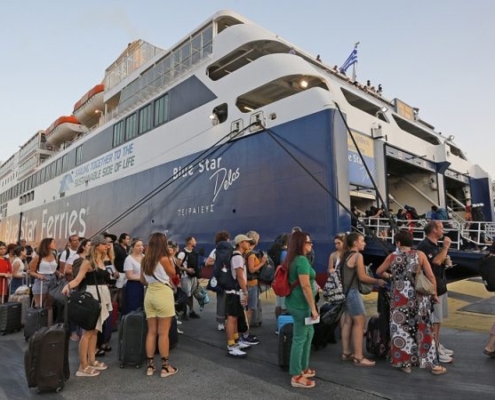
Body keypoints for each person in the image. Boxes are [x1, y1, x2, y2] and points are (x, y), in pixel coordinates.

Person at [376, 231, 447, 375]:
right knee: (424, 329)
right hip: (418, 299)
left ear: (398, 243)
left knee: (401, 330)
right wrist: (434, 294)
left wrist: (392, 276)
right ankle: (432, 365)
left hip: (399, 300)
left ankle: (404, 363)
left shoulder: (392, 257)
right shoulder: (420, 255)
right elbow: (430, 275)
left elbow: (379, 271)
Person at [62, 235, 112, 377]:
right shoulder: (88, 262)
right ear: (97, 246)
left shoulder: (101, 259)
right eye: (104, 244)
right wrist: (68, 286)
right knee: (88, 332)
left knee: (95, 331)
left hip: (101, 294)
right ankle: (82, 366)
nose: (107, 246)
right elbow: (78, 279)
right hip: (93, 295)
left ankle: (91, 360)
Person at [339, 232, 387, 367]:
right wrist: (377, 281)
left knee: (348, 321)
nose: (364, 243)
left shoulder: (344, 255)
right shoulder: (357, 256)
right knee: (360, 322)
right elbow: (362, 277)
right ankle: (358, 357)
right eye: (362, 241)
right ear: (355, 243)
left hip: (344, 292)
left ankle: (346, 352)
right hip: (353, 293)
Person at [140, 232, 178, 378]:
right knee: (163, 333)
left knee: (151, 331)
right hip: (163, 293)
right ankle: (165, 367)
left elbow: (142, 280)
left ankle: (150, 366)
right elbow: (173, 274)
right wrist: (170, 257)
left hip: (149, 294)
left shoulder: (145, 260)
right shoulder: (164, 259)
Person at [417, 221, 454, 363]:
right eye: (441, 228)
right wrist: (445, 247)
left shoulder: (434, 245)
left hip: (440, 285)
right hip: (432, 287)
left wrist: (445, 259)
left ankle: (436, 343)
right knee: (434, 320)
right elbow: (436, 262)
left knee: (438, 319)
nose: (443, 230)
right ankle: (433, 349)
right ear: (434, 230)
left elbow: (439, 261)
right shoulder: (425, 246)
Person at [285, 231, 318, 389]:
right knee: (300, 338)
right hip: (301, 305)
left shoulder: (292, 259)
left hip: (294, 302)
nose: (311, 244)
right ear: (301, 244)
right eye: (308, 242)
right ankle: (296, 375)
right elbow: (305, 286)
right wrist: (313, 308)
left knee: (308, 333)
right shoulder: (302, 261)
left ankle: (303, 367)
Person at [225, 234, 255, 358]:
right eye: (247, 242)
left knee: (235, 317)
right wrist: (245, 291)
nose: (249, 244)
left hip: (235, 292)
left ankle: (236, 342)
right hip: (234, 292)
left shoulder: (237, 256)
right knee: (232, 318)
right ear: (241, 243)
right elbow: (240, 276)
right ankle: (231, 346)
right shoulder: (237, 257)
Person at [29, 238, 62, 326]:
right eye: (53, 243)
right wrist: (38, 275)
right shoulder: (38, 257)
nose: (55, 244)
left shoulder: (54, 255)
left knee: (49, 304)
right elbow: (31, 271)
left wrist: (59, 273)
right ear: (47, 245)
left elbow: (53, 269)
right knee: (39, 304)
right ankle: (37, 326)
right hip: (41, 280)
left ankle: (49, 326)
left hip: (53, 279)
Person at [65, 238, 92, 342]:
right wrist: (82, 272)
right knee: (78, 309)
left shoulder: (92, 258)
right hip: (80, 286)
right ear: (84, 247)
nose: (91, 247)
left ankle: (82, 332)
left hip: (89, 286)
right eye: (89, 245)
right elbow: (68, 270)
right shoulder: (76, 257)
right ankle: (73, 331)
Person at [205, 230, 231, 331]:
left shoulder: (215, 250)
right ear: (227, 239)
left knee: (221, 300)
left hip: (219, 278)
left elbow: (207, 263)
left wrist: (217, 263)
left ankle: (220, 323)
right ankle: (229, 321)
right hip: (230, 278)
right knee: (230, 300)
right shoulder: (231, 249)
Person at [244, 230, 266, 338]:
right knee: (250, 309)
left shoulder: (244, 252)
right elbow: (252, 269)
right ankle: (246, 333)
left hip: (245, 283)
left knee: (244, 309)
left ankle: (241, 331)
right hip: (251, 284)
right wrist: (262, 263)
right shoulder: (251, 254)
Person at [177, 237, 200, 319]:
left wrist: (197, 277)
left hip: (193, 276)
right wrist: (187, 269)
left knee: (191, 294)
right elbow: (178, 266)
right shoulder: (182, 253)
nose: (196, 242)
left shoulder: (194, 252)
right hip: (185, 277)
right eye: (194, 241)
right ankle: (183, 312)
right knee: (186, 294)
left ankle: (191, 311)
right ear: (190, 242)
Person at [123, 239, 145, 314]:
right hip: (134, 286)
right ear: (132, 247)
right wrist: (143, 278)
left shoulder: (144, 257)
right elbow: (129, 276)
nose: (140, 247)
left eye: (141, 245)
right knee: (134, 307)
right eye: (138, 246)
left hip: (145, 285)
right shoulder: (129, 259)